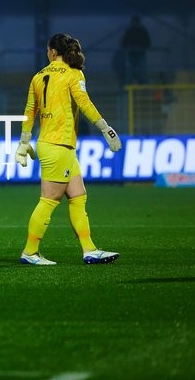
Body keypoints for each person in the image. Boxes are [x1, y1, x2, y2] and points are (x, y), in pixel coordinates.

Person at [15, 33, 122, 265]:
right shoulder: (74, 74)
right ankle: (30, 252)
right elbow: (85, 103)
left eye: (47, 50)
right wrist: (106, 129)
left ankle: (89, 249)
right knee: (49, 200)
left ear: (53, 52)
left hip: (54, 144)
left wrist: (24, 142)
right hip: (59, 145)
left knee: (78, 196)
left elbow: (29, 109)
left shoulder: (38, 75)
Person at [120, 15, 151, 85]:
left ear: (138, 22)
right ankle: (127, 88)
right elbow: (124, 43)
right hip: (132, 54)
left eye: (135, 22)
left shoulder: (142, 31)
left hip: (140, 54)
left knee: (142, 71)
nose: (134, 23)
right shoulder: (129, 31)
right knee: (130, 72)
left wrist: (142, 47)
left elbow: (148, 42)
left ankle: (145, 86)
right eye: (133, 22)